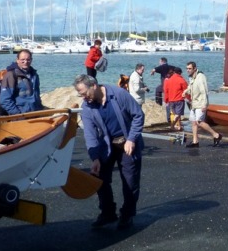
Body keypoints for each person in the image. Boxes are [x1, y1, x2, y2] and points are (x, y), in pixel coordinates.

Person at [73, 74, 144, 230]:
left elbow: (138, 115)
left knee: (130, 181)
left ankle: (127, 214)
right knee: (100, 178)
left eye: (85, 93)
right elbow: (90, 135)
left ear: (94, 86)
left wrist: (132, 139)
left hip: (127, 141)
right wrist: (95, 158)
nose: (83, 97)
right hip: (107, 144)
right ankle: (107, 213)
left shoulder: (119, 94)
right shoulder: (86, 107)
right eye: (80, 95)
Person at [184, 61, 222, 147]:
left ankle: (216, 135)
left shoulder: (200, 77)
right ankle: (195, 142)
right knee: (193, 122)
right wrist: (185, 91)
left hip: (200, 103)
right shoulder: (191, 77)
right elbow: (190, 87)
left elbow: (204, 91)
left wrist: (204, 105)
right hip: (194, 103)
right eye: (187, 69)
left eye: (189, 68)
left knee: (199, 122)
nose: (188, 70)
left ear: (194, 68)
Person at [0, 49, 43, 114]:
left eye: (28, 59)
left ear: (31, 60)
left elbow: (36, 95)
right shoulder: (11, 75)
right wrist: (17, 114)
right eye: (22, 59)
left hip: (34, 113)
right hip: (20, 115)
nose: (25, 61)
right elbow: (4, 100)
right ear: (17, 60)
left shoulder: (34, 75)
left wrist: (40, 109)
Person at [163, 66, 189, 132]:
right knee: (178, 114)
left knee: (175, 114)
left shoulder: (169, 80)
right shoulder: (181, 80)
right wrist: (189, 98)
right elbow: (187, 90)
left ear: (174, 72)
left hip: (171, 100)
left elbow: (166, 90)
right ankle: (172, 126)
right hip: (179, 99)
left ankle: (179, 126)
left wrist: (166, 99)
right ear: (180, 73)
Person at [150, 57, 173, 122]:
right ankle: (169, 113)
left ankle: (159, 104)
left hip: (165, 85)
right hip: (171, 85)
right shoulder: (171, 67)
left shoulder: (163, 66)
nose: (159, 63)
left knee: (166, 100)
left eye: (159, 61)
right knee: (158, 89)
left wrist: (152, 72)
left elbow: (155, 69)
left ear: (162, 61)